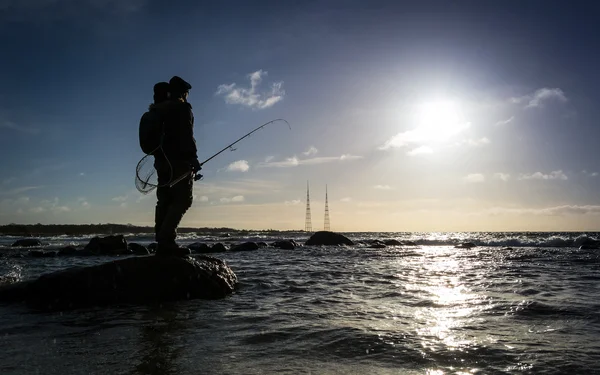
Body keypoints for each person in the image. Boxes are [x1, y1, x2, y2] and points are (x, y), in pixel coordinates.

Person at [153, 76, 201, 256]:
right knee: (182, 200)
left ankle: (160, 242)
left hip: (161, 162)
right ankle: (167, 241)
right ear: (183, 93)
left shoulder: (159, 110)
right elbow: (187, 135)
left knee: (164, 200)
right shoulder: (182, 109)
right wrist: (193, 158)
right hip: (179, 161)